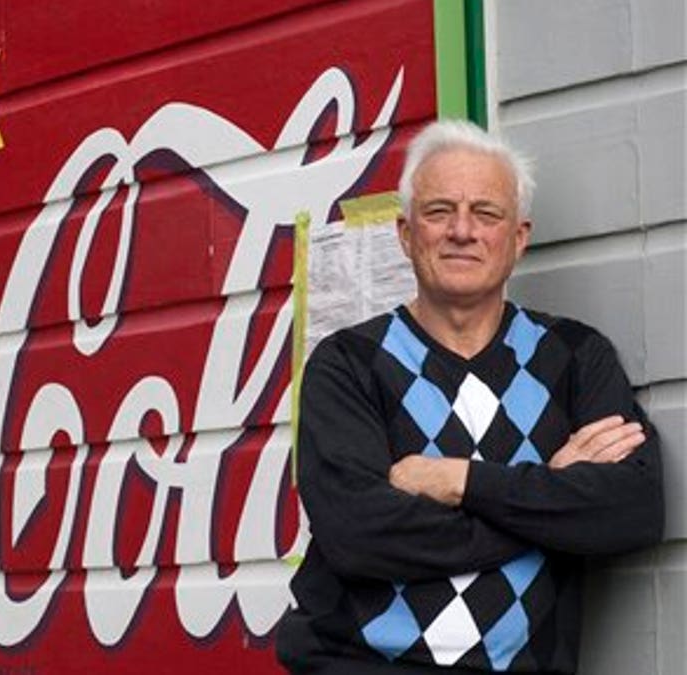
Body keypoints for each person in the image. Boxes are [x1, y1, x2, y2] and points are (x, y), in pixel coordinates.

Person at [276, 119, 663, 674]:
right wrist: (549, 501)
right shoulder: (349, 364)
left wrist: (457, 480)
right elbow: (359, 536)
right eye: (439, 212)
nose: (462, 230)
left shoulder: (574, 356)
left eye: (486, 213)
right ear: (406, 234)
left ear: (519, 238)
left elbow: (633, 510)